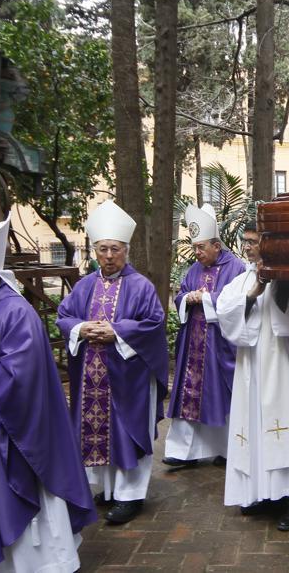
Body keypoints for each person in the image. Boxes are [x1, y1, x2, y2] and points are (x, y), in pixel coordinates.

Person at [0, 205, 95, 571]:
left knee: (18, 496)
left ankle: (40, 564)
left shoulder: (15, 312)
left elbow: (25, 374)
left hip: (13, 436)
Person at [56, 200, 169, 524]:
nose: (108, 256)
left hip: (128, 381)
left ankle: (130, 496)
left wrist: (116, 332)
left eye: (115, 249)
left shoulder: (141, 287)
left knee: (126, 433)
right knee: (96, 431)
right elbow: (64, 316)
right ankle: (106, 490)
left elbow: (153, 324)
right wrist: (82, 328)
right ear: (94, 250)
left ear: (126, 250)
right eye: (103, 249)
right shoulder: (84, 286)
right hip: (92, 380)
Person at [217, 221, 289, 530]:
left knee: (287, 425)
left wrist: (276, 286)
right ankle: (262, 493)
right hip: (251, 367)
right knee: (253, 425)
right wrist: (254, 292)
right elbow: (226, 314)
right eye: (246, 241)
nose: (249, 247)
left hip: (284, 363)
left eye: (254, 241)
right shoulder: (243, 279)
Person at [163, 203, 246, 467]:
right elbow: (180, 296)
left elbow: (239, 301)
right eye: (195, 247)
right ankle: (185, 453)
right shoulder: (194, 269)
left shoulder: (236, 268)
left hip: (220, 346)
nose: (196, 253)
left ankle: (225, 449)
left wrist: (208, 298)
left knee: (222, 396)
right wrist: (188, 297)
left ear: (216, 246)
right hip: (193, 348)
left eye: (201, 247)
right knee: (188, 395)